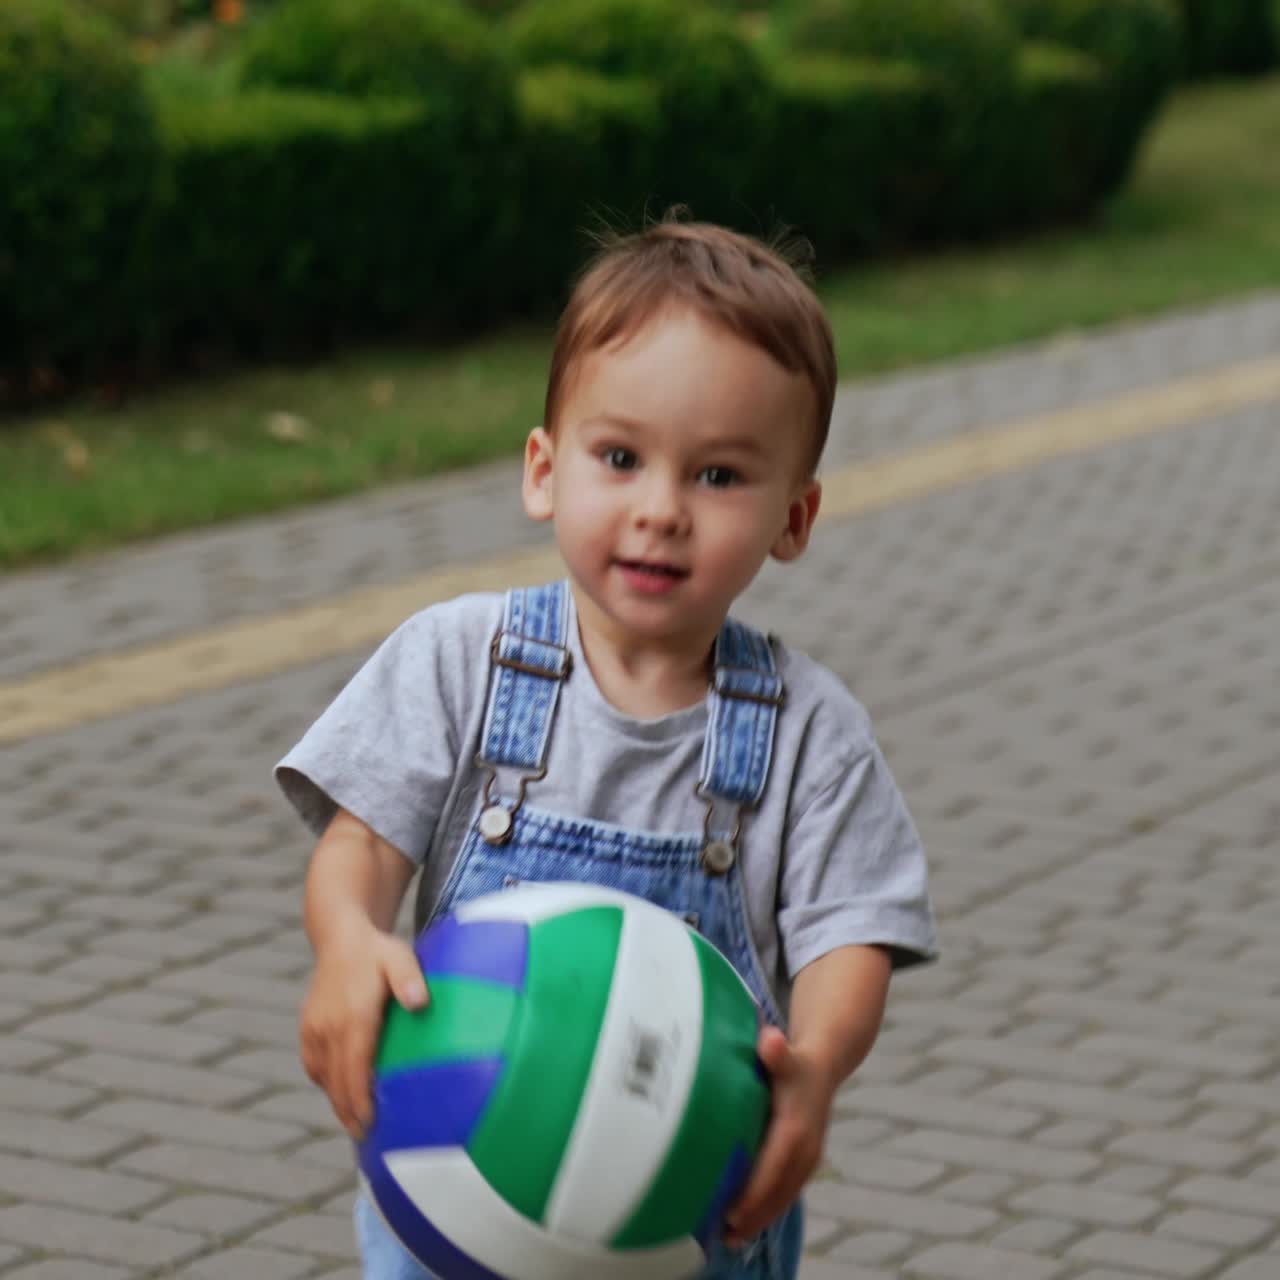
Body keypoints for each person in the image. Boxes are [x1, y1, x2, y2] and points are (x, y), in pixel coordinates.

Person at [276, 216, 938, 1280]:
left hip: (681, 1205)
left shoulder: (811, 732)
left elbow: (846, 939)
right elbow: (359, 845)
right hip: (463, 1198)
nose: (660, 510)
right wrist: (347, 938)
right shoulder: (459, 660)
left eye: (718, 475)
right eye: (619, 457)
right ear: (544, 469)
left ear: (794, 516)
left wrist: (813, 1064)